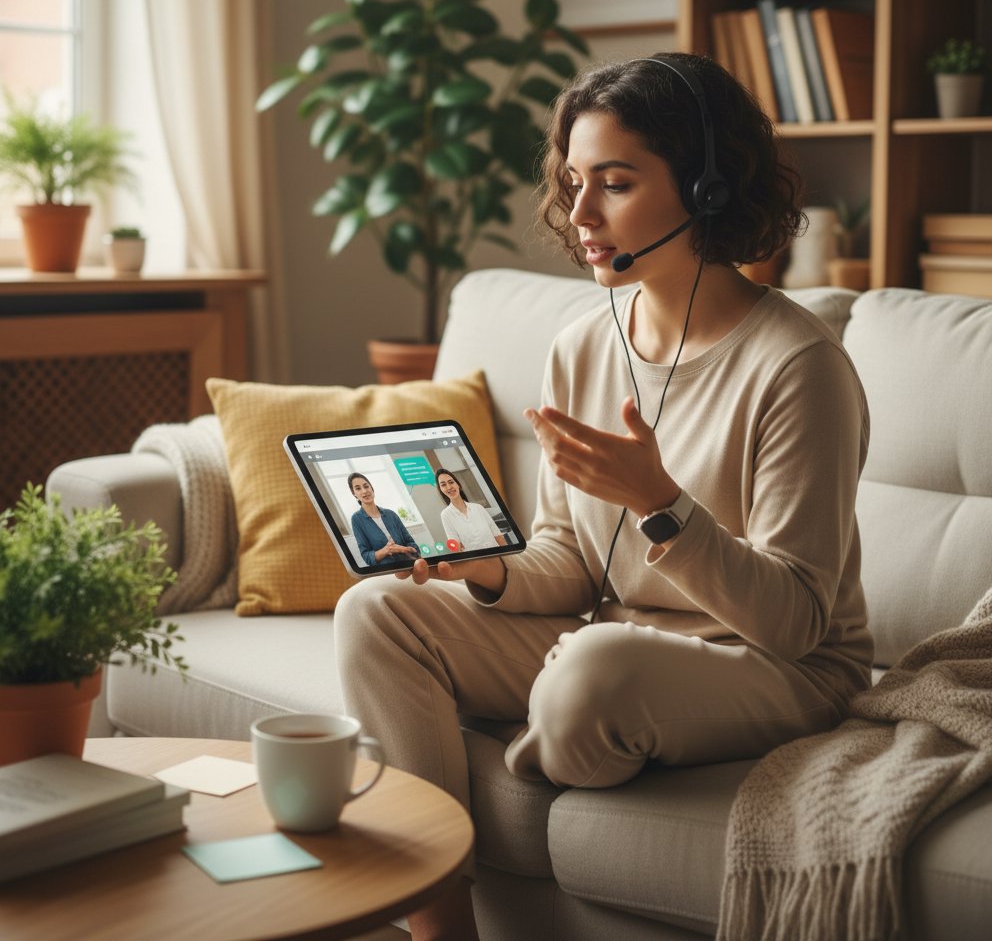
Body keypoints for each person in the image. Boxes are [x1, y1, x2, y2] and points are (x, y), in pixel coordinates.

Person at [335, 53, 873, 941]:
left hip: (776, 666)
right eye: (574, 183)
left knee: (589, 674)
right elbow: (569, 561)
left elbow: (796, 621)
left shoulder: (798, 367)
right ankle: (439, 923)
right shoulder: (582, 344)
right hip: (609, 638)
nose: (580, 216)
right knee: (376, 611)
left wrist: (663, 503)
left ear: (704, 190)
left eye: (614, 185)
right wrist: (486, 571)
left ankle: (558, 716)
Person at [347, 472, 420, 567]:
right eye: (358, 488)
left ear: (372, 488)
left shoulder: (391, 514)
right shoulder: (356, 520)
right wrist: (387, 550)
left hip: (409, 563)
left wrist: (404, 549)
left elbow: (412, 543)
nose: (364, 491)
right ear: (354, 494)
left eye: (366, 486)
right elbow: (367, 557)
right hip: (387, 569)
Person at [435, 468, 506, 552]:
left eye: (451, 482)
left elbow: (498, 536)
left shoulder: (478, 508)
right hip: (476, 562)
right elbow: (457, 547)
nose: (449, 487)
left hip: (497, 555)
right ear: (441, 490)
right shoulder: (446, 515)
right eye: (443, 485)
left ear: (458, 485)